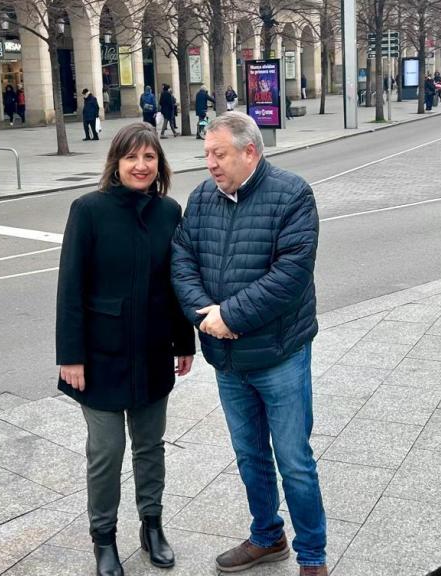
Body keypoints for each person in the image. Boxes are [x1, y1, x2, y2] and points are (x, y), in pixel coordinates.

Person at [171, 112, 327, 576]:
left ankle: (313, 557)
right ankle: (267, 535)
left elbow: (291, 276)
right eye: (206, 155)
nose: (211, 165)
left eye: (219, 154)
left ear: (250, 152)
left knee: (294, 459)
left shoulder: (292, 195)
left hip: (279, 354)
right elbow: (182, 261)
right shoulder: (202, 198)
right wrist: (207, 315)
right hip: (228, 358)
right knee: (250, 454)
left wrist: (230, 316)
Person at [57, 122, 195, 576]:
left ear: (160, 164)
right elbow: (70, 287)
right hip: (99, 356)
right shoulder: (89, 210)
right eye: (131, 157)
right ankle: (104, 539)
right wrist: (70, 355)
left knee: (150, 446)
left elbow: (177, 285)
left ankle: (151, 526)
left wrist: (184, 340)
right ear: (115, 164)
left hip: (154, 349)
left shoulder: (169, 212)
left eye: (149, 157)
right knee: (107, 450)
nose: (141, 165)